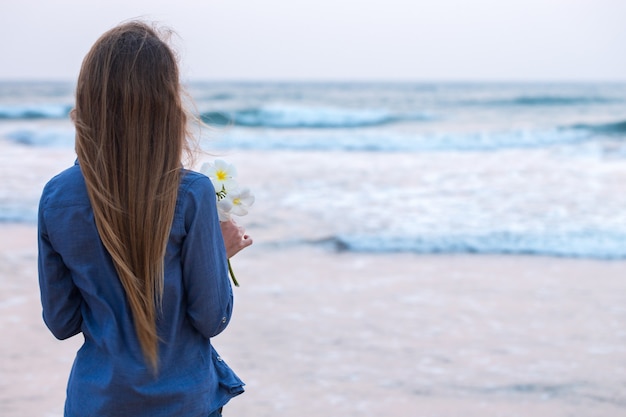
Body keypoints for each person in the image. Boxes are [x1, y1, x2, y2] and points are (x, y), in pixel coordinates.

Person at [37, 21, 252, 417]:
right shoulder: (191, 193)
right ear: (167, 104)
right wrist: (217, 256)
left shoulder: (57, 197)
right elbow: (211, 318)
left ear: (87, 100)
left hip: (95, 402)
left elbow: (61, 321)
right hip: (182, 402)